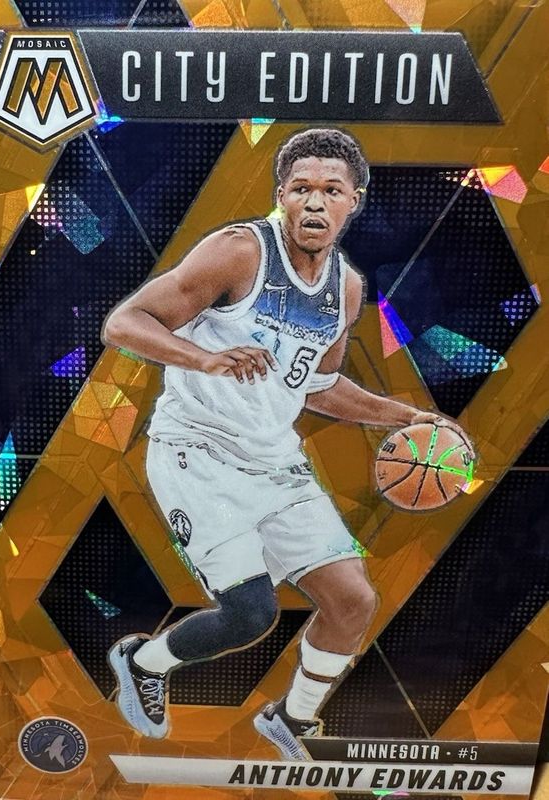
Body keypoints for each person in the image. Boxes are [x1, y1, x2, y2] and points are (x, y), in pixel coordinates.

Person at [102, 127, 471, 759]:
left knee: (353, 601)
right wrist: (204, 358)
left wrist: (409, 417)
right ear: (282, 195)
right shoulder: (239, 251)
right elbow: (123, 323)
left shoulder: (345, 288)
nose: (315, 201)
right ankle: (142, 662)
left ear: (353, 201)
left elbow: (318, 387)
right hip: (197, 451)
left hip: (274, 460)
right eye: (301, 188)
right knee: (250, 615)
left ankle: (292, 720)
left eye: (331, 190)